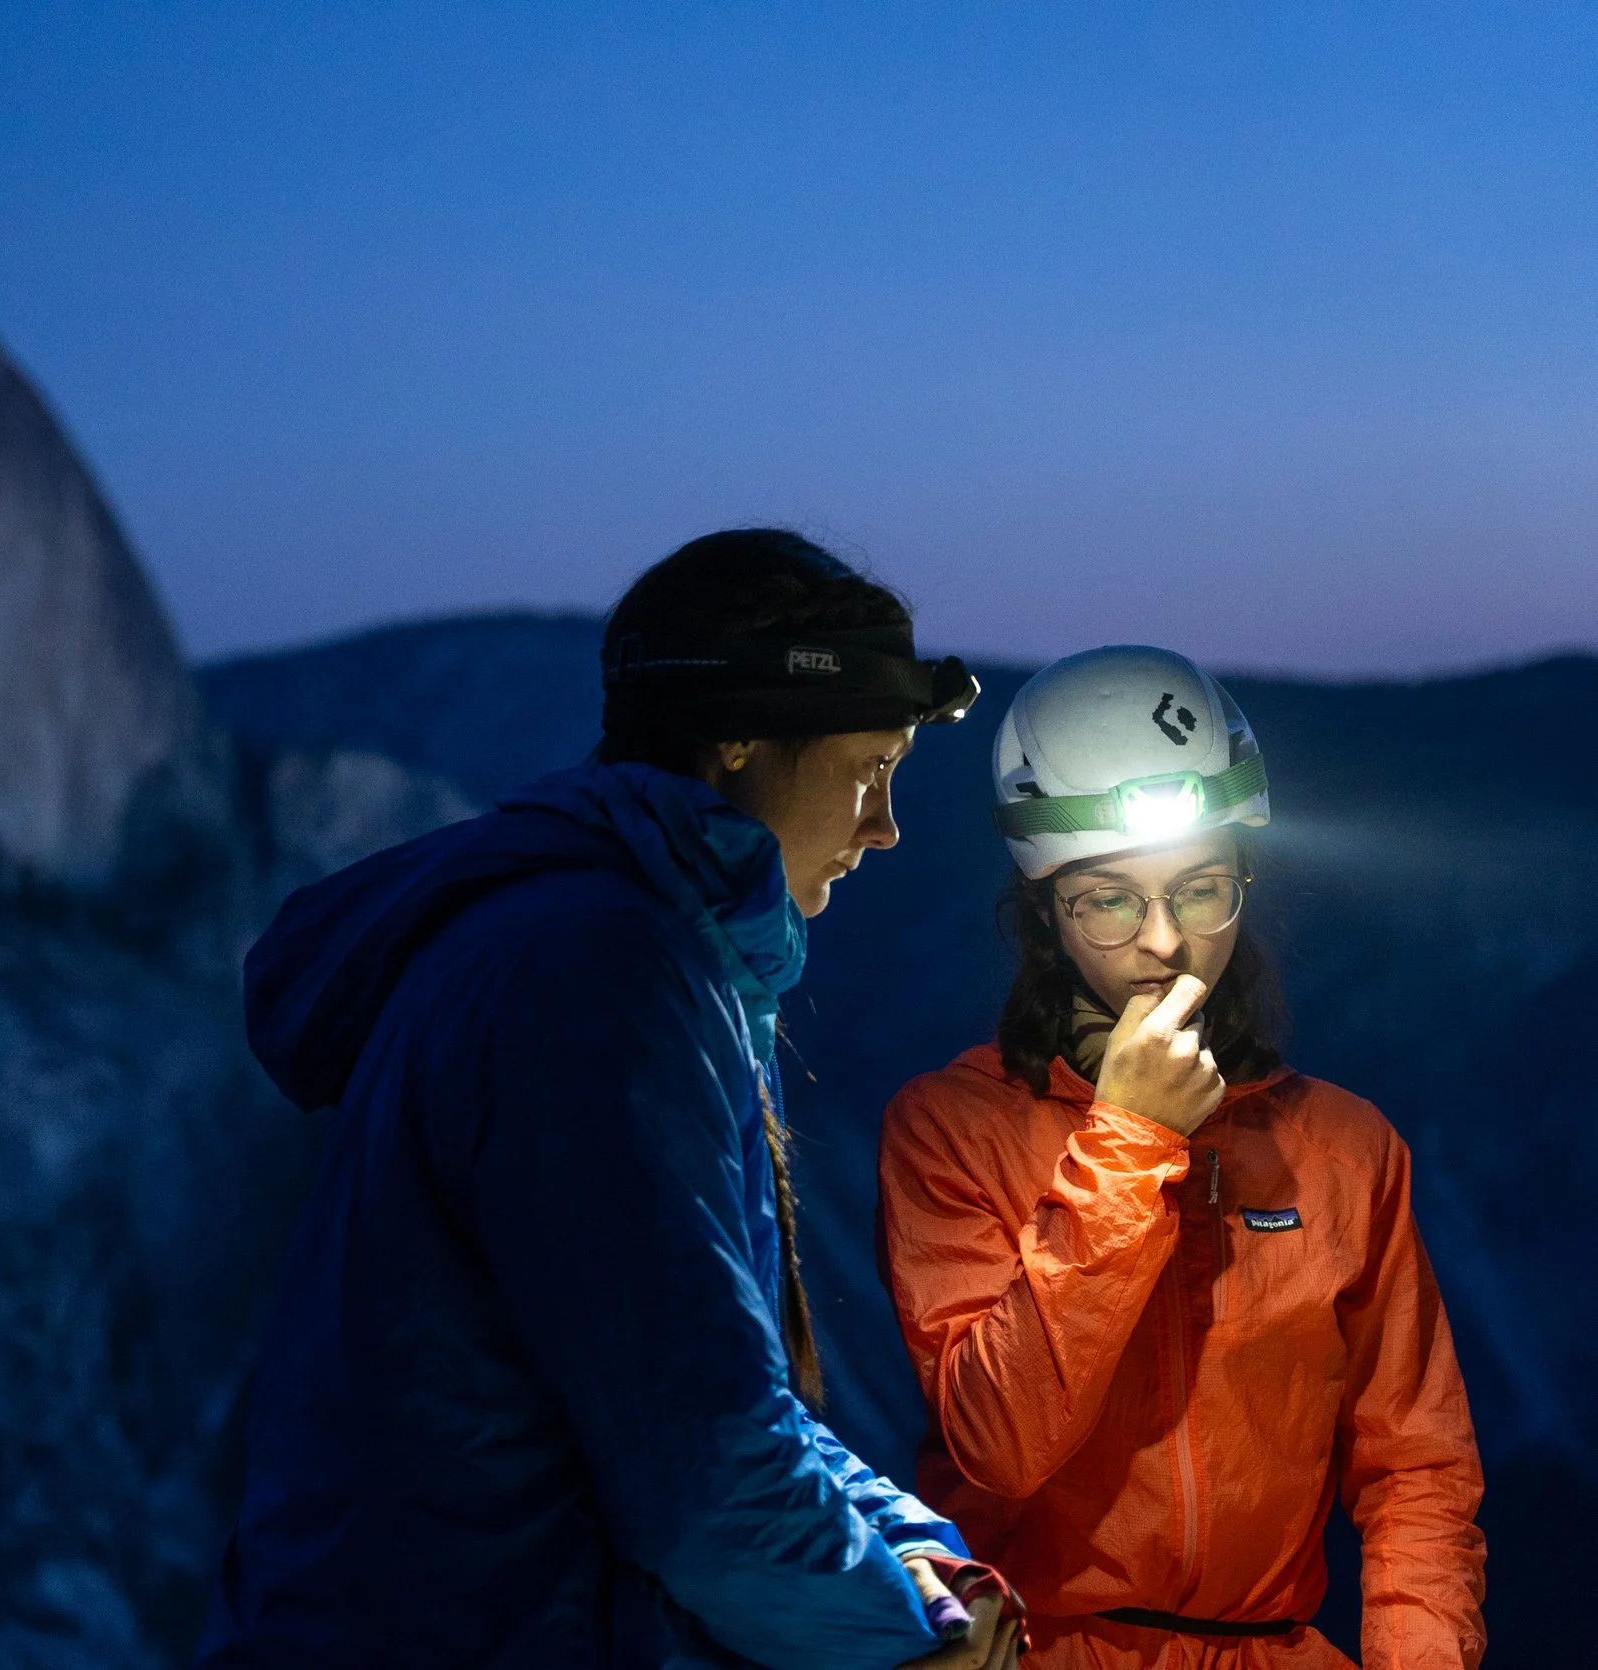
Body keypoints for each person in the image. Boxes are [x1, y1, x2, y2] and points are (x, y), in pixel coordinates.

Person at [197, 530, 1022, 1670]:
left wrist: (917, 1554)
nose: (883, 826)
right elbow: (698, 1465)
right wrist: (913, 1634)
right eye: (869, 769)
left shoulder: (608, 940)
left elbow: (721, 1394)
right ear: (736, 737)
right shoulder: (600, 978)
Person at [876, 646, 1487, 1669]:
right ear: (1042, 914)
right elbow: (999, 1440)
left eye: (1201, 888)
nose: (1164, 940)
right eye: (1108, 899)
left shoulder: (1342, 1143)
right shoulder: (951, 1126)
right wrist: (1129, 1140)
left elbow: (1416, 1469)